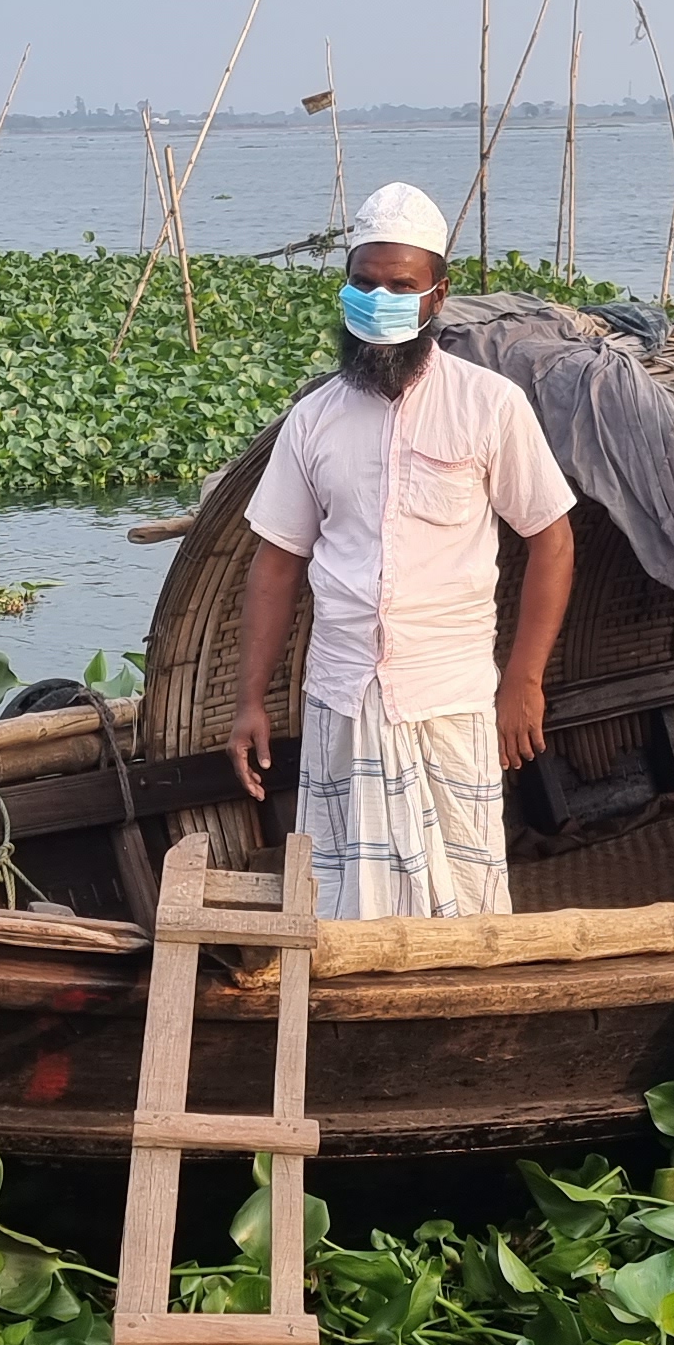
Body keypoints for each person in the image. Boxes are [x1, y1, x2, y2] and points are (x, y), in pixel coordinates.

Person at [230, 182, 577, 917]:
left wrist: (525, 681)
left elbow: (551, 539)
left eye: (400, 286)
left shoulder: (489, 406)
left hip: (448, 697)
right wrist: (250, 699)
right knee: (338, 907)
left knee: (464, 904)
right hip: (341, 696)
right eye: (364, 283)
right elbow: (277, 563)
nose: (378, 297)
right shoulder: (314, 420)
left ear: (436, 296)